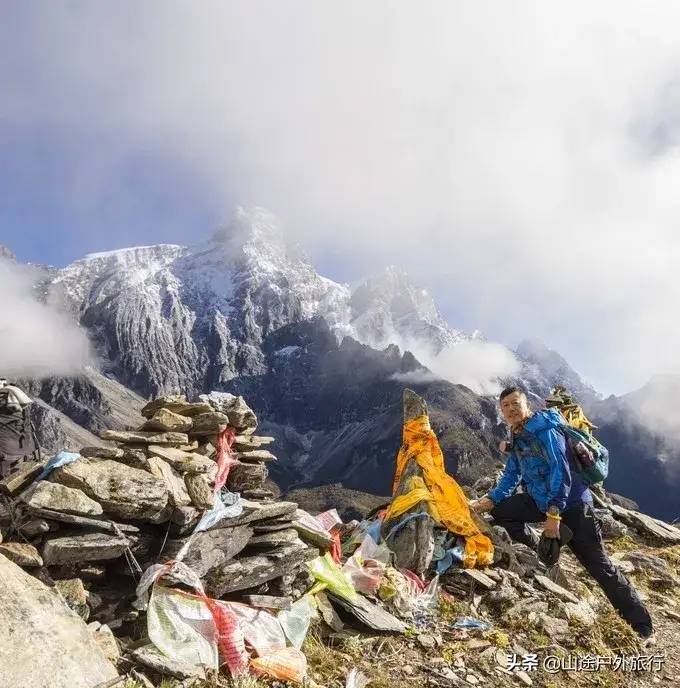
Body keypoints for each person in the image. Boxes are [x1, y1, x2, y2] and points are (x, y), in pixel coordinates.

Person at [470, 386, 654, 645]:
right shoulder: (518, 435)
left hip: (574, 507)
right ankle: (539, 552)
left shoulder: (546, 430)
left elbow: (562, 472)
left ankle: (643, 625)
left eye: (515, 403)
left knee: (599, 566)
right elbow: (512, 474)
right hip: (539, 501)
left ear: (527, 405)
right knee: (503, 512)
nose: (511, 409)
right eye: (506, 406)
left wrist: (554, 516)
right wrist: (489, 500)